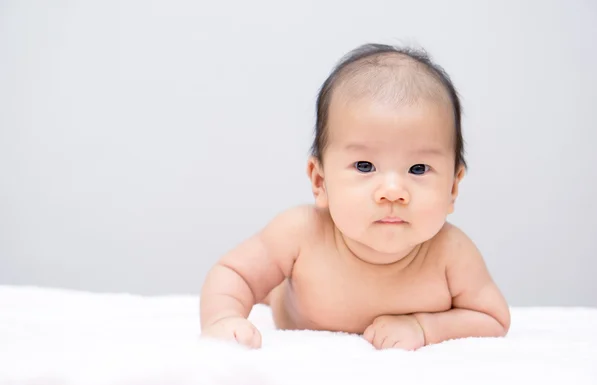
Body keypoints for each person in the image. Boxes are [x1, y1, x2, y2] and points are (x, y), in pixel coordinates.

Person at [199, 43, 510, 350]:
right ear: (320, 181)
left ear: (453, 188)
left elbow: (493, 318)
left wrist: (423, 326)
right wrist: (223, 319)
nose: (393, 191)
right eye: (365, 166)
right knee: (267, 283)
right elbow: (234, 273)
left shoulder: (452, 253)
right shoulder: (300, 234)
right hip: (287, 297)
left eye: (418, 168)